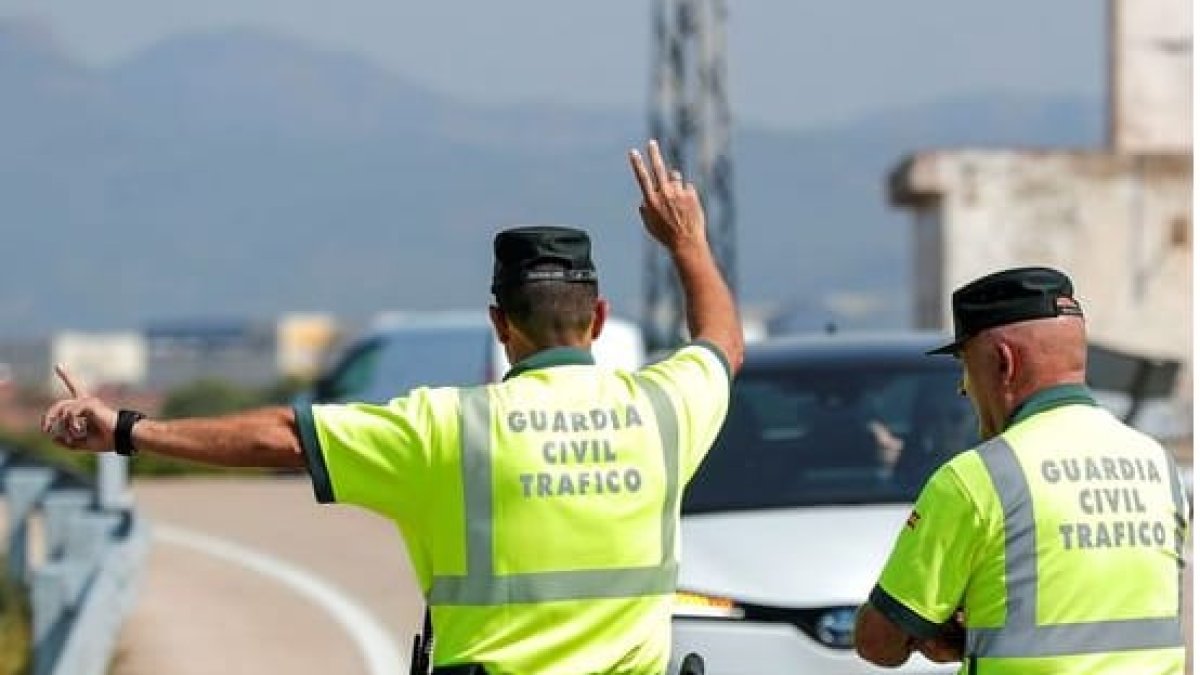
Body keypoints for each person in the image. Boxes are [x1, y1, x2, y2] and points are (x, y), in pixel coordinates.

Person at [42, 139, 744, 675]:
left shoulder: (446, 427)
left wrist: (128, 429)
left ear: (499, 323)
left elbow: (284, 435)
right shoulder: (664, 411)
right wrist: (688, 242)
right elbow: (721, 342)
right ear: (599, 316)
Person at [853, 267, 1191, 673]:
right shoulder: (1158, 466)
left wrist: (943, 634)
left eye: (965, 365)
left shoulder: (975, 480)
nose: (963, 386)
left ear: (1003, 362)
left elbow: (878, 643)